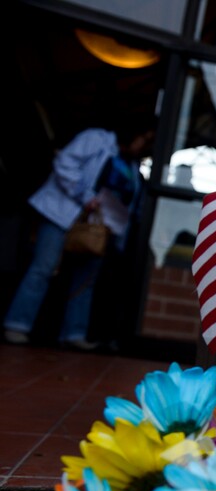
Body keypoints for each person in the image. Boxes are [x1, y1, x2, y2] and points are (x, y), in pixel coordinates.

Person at [3, 124, 153, 350]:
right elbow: (65, 162)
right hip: (61, 212)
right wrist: (84, 196)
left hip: (97, 229)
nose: (146, 145)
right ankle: (17, 325)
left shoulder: (133, 168)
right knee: (44, 267)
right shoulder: (97, 139)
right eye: (145, 138)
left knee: (86, 281)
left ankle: (74, 333)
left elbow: (130, 207)